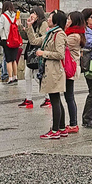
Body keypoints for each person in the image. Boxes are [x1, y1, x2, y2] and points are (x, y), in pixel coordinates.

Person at [35, 10, 71, 139]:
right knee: (55, 98)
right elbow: (35, 41)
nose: (48, 20)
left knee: (55, 99)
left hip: (54, 70)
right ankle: (61, 128)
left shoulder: (59, 34)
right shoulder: (50, 33)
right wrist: (28, 27)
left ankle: (55, 130)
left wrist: (43, 53)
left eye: (50, 18)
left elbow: (60, 54)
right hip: (49, 69)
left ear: (56, 20)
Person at [63, 11, 85, 131]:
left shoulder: (73, 36)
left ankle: (73, 123)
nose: (67, 22)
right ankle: (73, 123)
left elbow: (60, 44)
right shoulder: (77, 34)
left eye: (69, 19)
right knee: (69, 96)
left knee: (69, 97)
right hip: (71, 67)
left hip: (69, 68)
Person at [0, 0, 24, 85]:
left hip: (6, 40)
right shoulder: (16, 16)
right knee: (14, 59)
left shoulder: (3, 16)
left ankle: (10, 77)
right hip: (15, 40)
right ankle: (16, 76)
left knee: (8, 60)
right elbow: (19, 26)